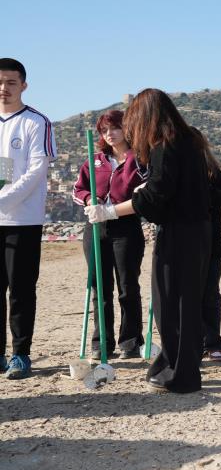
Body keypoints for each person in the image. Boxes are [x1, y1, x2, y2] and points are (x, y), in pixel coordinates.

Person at [86, 88, 211, 393]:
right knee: (184, 303)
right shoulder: (190, 139)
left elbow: (155, 196)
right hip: (197, 230)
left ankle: (181, 373)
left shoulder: (164, 145)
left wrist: (111, 210)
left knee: (172, 304)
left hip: (180, 232)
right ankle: (175, 365)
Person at [73, 110, 147, 360]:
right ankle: (101, 342)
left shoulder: (140, 161)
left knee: (127, 286)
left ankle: (130, 341)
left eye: (115, 128)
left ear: (127, 128)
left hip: (126, 228)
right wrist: (88, 201)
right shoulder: (94, 161)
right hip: (95, 227)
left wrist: (112, 210)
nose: (110, 134)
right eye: (105, 131)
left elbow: (145, 194)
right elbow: (78, 189)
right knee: (99, 288)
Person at [0, 58, 57, 380]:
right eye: (0, 82)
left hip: (23, 220)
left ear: (23, 85)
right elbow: (2, 169)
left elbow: (36, 171)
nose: (4, 88)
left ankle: (21, 353)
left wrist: (3, 199)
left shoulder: (36, 122)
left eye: (10, 82)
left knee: (21, 290)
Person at [200, 134, 221, 362]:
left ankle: (212, 343)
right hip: (185, 246)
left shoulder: (212, 171)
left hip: (212, 244)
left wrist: (202, 196)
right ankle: (196, 342)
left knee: (210, 293)